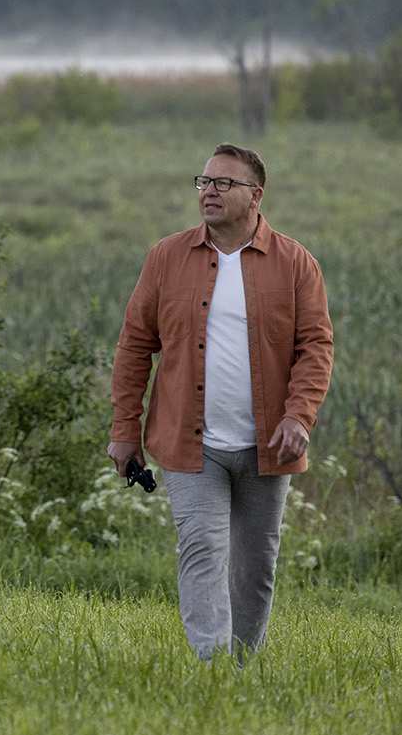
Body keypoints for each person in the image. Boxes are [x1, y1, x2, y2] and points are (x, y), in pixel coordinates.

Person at [108, 142, 333, 661]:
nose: (208, 191)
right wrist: (125, 429)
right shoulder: (166, 257)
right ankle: (211, 670)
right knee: (203, 550)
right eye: (204, 182)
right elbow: (135, 344)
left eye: (222, 183)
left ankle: (240, 668)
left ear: (255, 195)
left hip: (266, 446)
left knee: (255, 566)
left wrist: (300, 414)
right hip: (191, 444)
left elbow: (316, 346)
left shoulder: (296, 264)